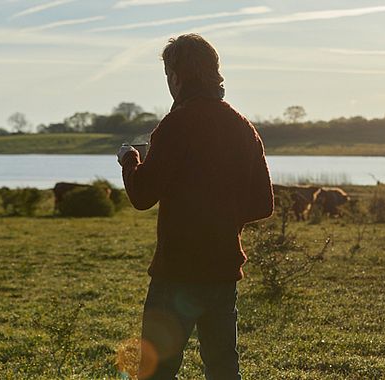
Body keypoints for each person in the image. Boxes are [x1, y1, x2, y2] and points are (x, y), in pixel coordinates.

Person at [116, 34, 274, 380]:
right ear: (214, 72)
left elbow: (142, 196)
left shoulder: (176, 125)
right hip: (222, 270)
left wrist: (130, 160)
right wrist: (222, 216)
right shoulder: (242, 127)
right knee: (223, 368)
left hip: (177, 272)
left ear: (177, 75)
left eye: (169, 74)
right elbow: (264, 203)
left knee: (157, 369)